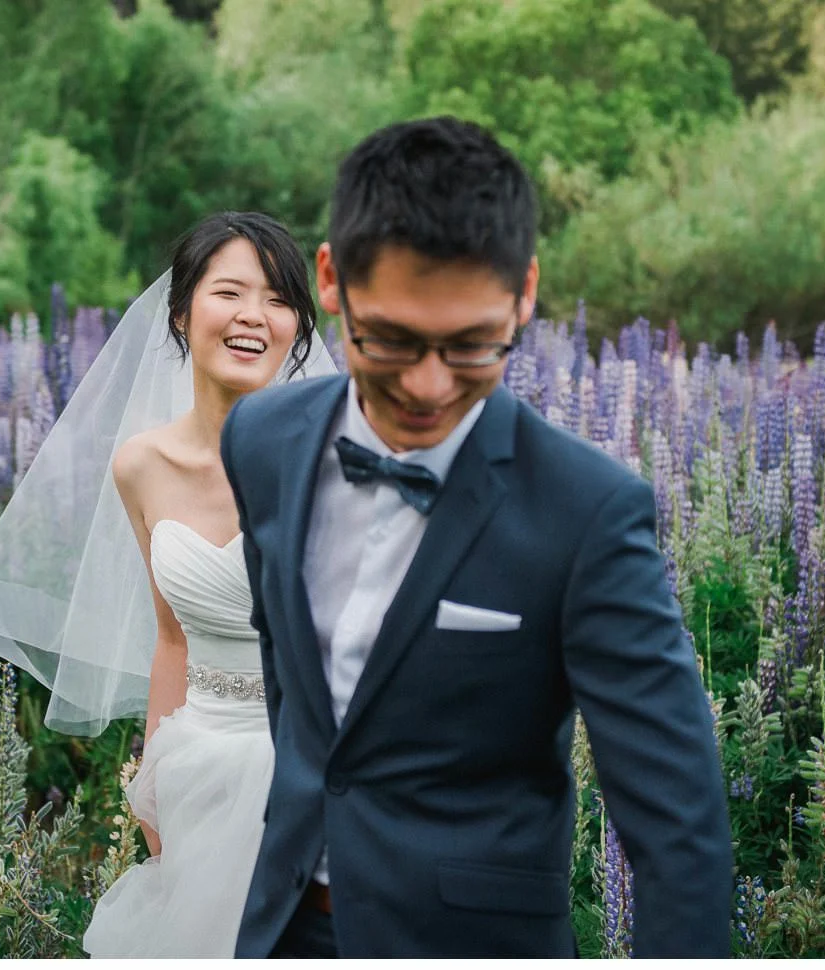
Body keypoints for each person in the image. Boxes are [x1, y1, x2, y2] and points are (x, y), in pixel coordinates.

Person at [220, 118, 732, 958]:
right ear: (329, 278)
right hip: (284, 930)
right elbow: (289, 673)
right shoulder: (262, 439)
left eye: (471, 345)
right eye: (389, 339)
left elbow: (678, 825)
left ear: (524, 293)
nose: (427, 384)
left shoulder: (586, 511)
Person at [0, 211, 336, 957]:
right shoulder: (141, 466)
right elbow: (173, 640)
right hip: (198, 775)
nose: (256, 316)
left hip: (311, 780)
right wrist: (155, 792)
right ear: (182, 312)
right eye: (231, 293)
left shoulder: (333, 463)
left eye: (280, 299)